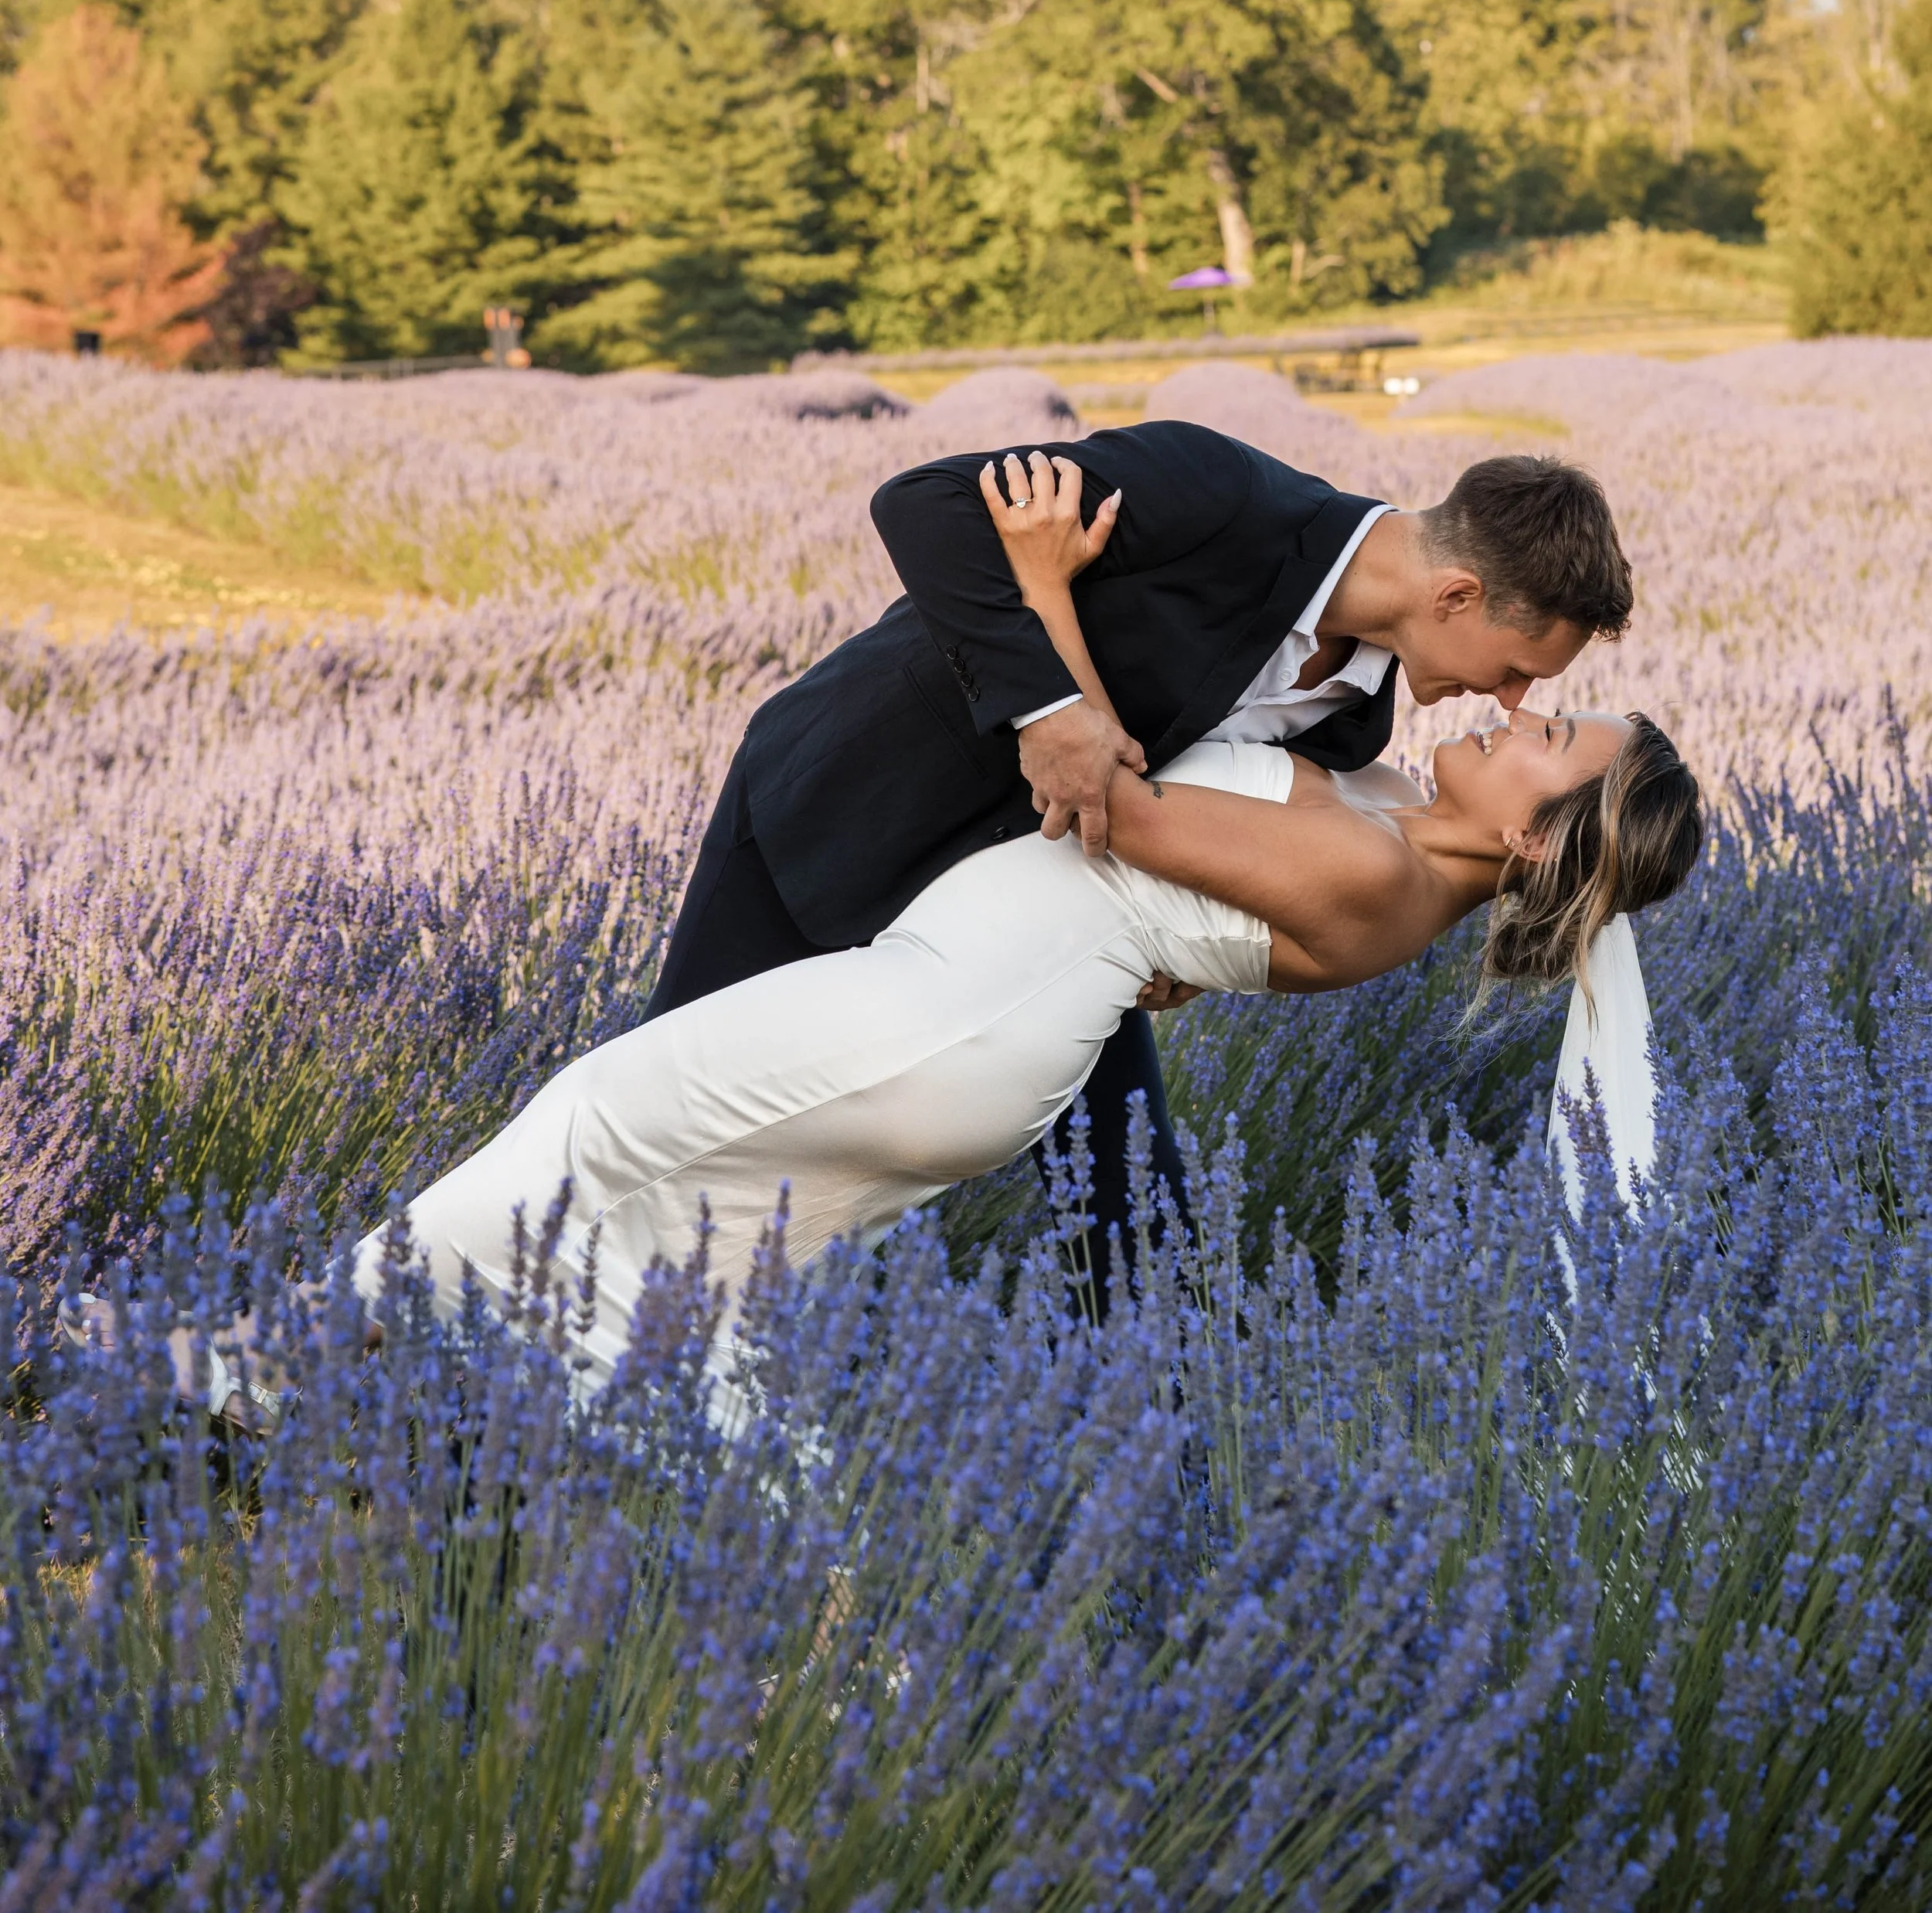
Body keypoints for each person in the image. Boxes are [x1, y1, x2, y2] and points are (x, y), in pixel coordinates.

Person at [333, 454, 1700, 1401]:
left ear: (1535, 840)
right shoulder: (1371, 748)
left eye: (1548, 719)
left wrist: (1045, 587)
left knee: (600, 1126)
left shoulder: (1385, 870)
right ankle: (737, 1544)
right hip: (928, 928)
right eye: (1536, 680)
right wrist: (1182, 938)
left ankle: (255, 1386)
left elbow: (1115, 807)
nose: (1518, 704)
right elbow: (1181, 830)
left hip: (956, 1019)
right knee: (703, 1261)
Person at [643, 422, 1635, 1307]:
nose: (1505, 701)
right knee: (669, 1136)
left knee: (1130, 1215)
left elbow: (1219, 845)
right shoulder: (1219, 493)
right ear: (1457, 593)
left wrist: (1191, 955)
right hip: (841, 818)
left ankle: (1156, 1462)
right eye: (1516, 670)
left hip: (1035, 937)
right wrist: (1050, 709)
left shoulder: (1354, 717)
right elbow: (923, 503)